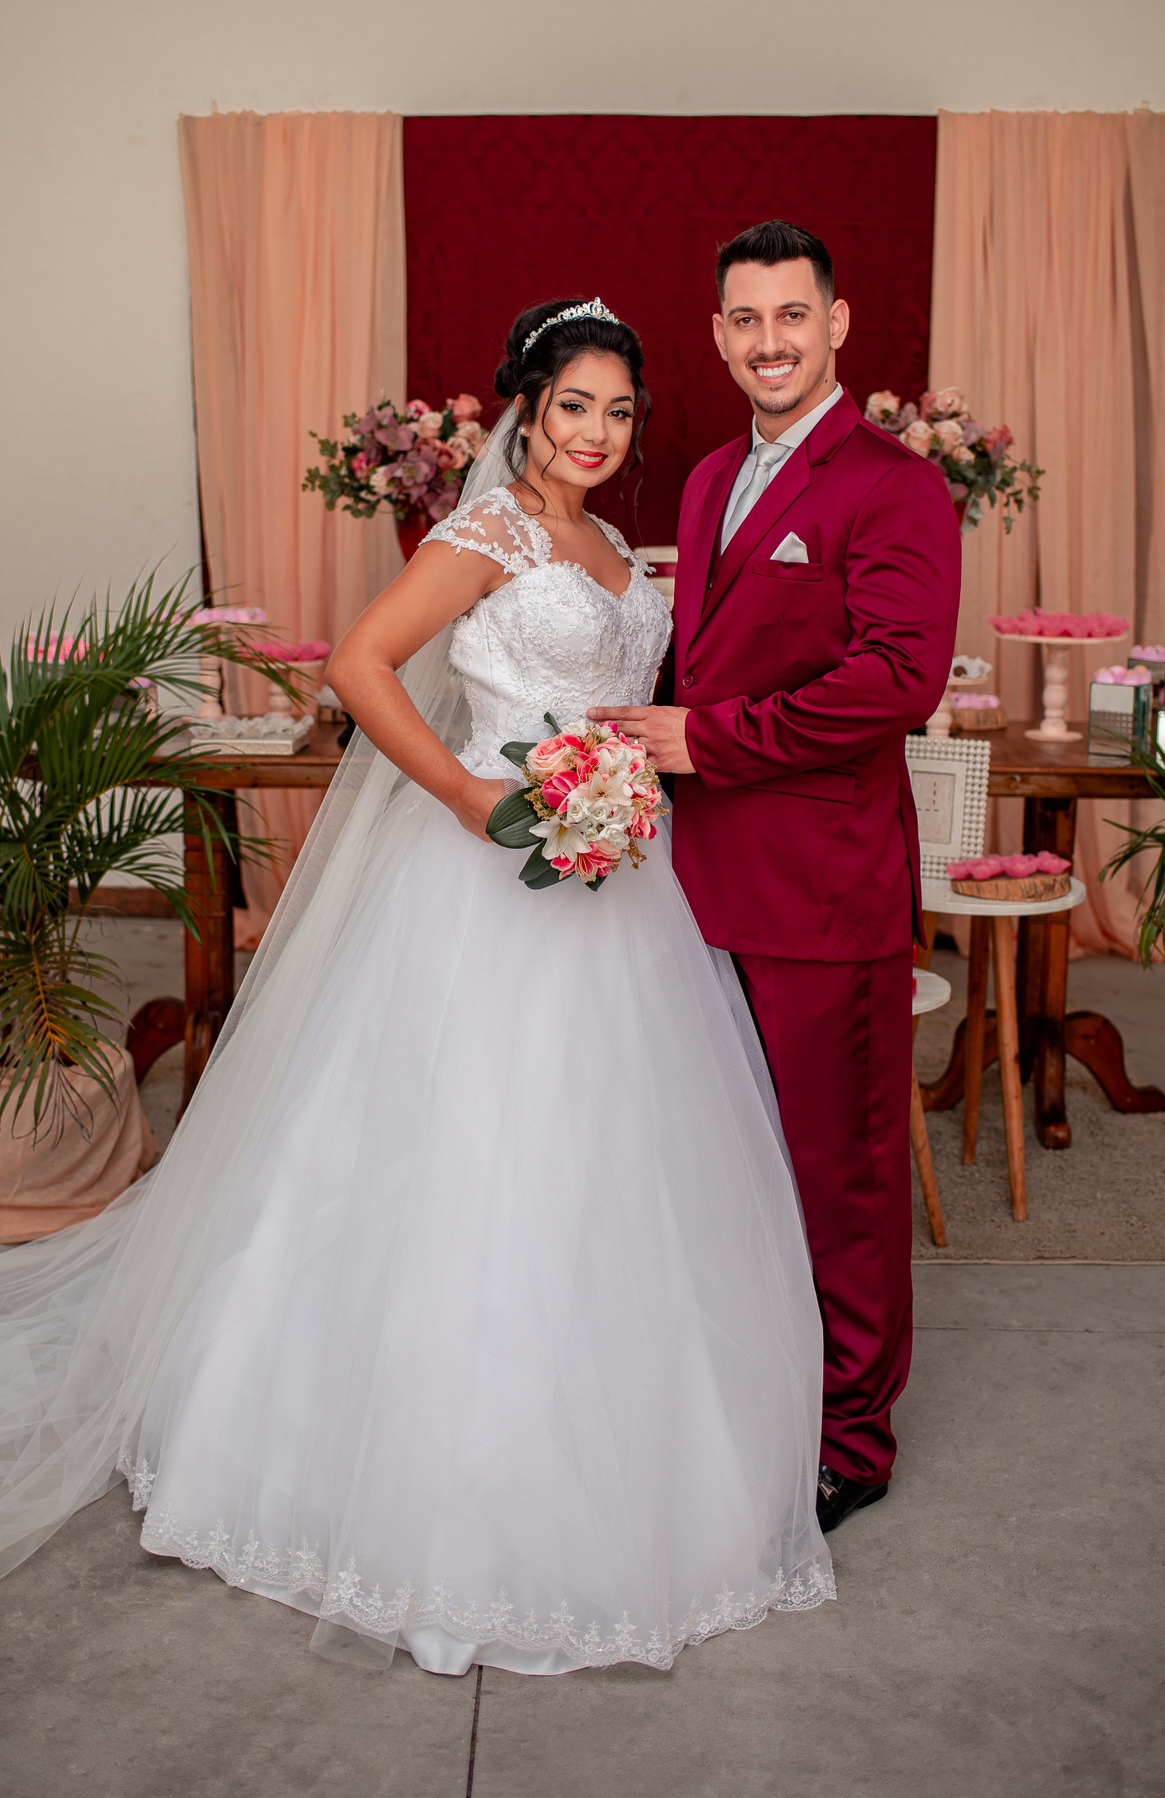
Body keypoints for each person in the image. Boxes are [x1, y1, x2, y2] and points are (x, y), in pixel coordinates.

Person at [0, 298, 833, 1676]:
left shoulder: (616, 552)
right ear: (527, 409)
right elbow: (359, 663)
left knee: (618, 1161)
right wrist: (463, 794)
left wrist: (621, 783)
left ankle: (628, 1448)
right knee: (464, 1152)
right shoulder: (488, 531)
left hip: (619, 884)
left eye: (620, 411)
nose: (597, 433)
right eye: (575, 405)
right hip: (488, 874)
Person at [593, 222, 961, 1532]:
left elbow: (896, 680)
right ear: (717, 335)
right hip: (695, 886)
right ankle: (751, 1386)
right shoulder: (705, 483)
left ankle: (851, 1436)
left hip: (821, 892)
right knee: (726, 1159)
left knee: (838, 1173)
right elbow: (702, 659)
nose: (769, 342)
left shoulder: (896, 487)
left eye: (791, 316)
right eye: (745, 320)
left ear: (838, 323)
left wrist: (709, 740)